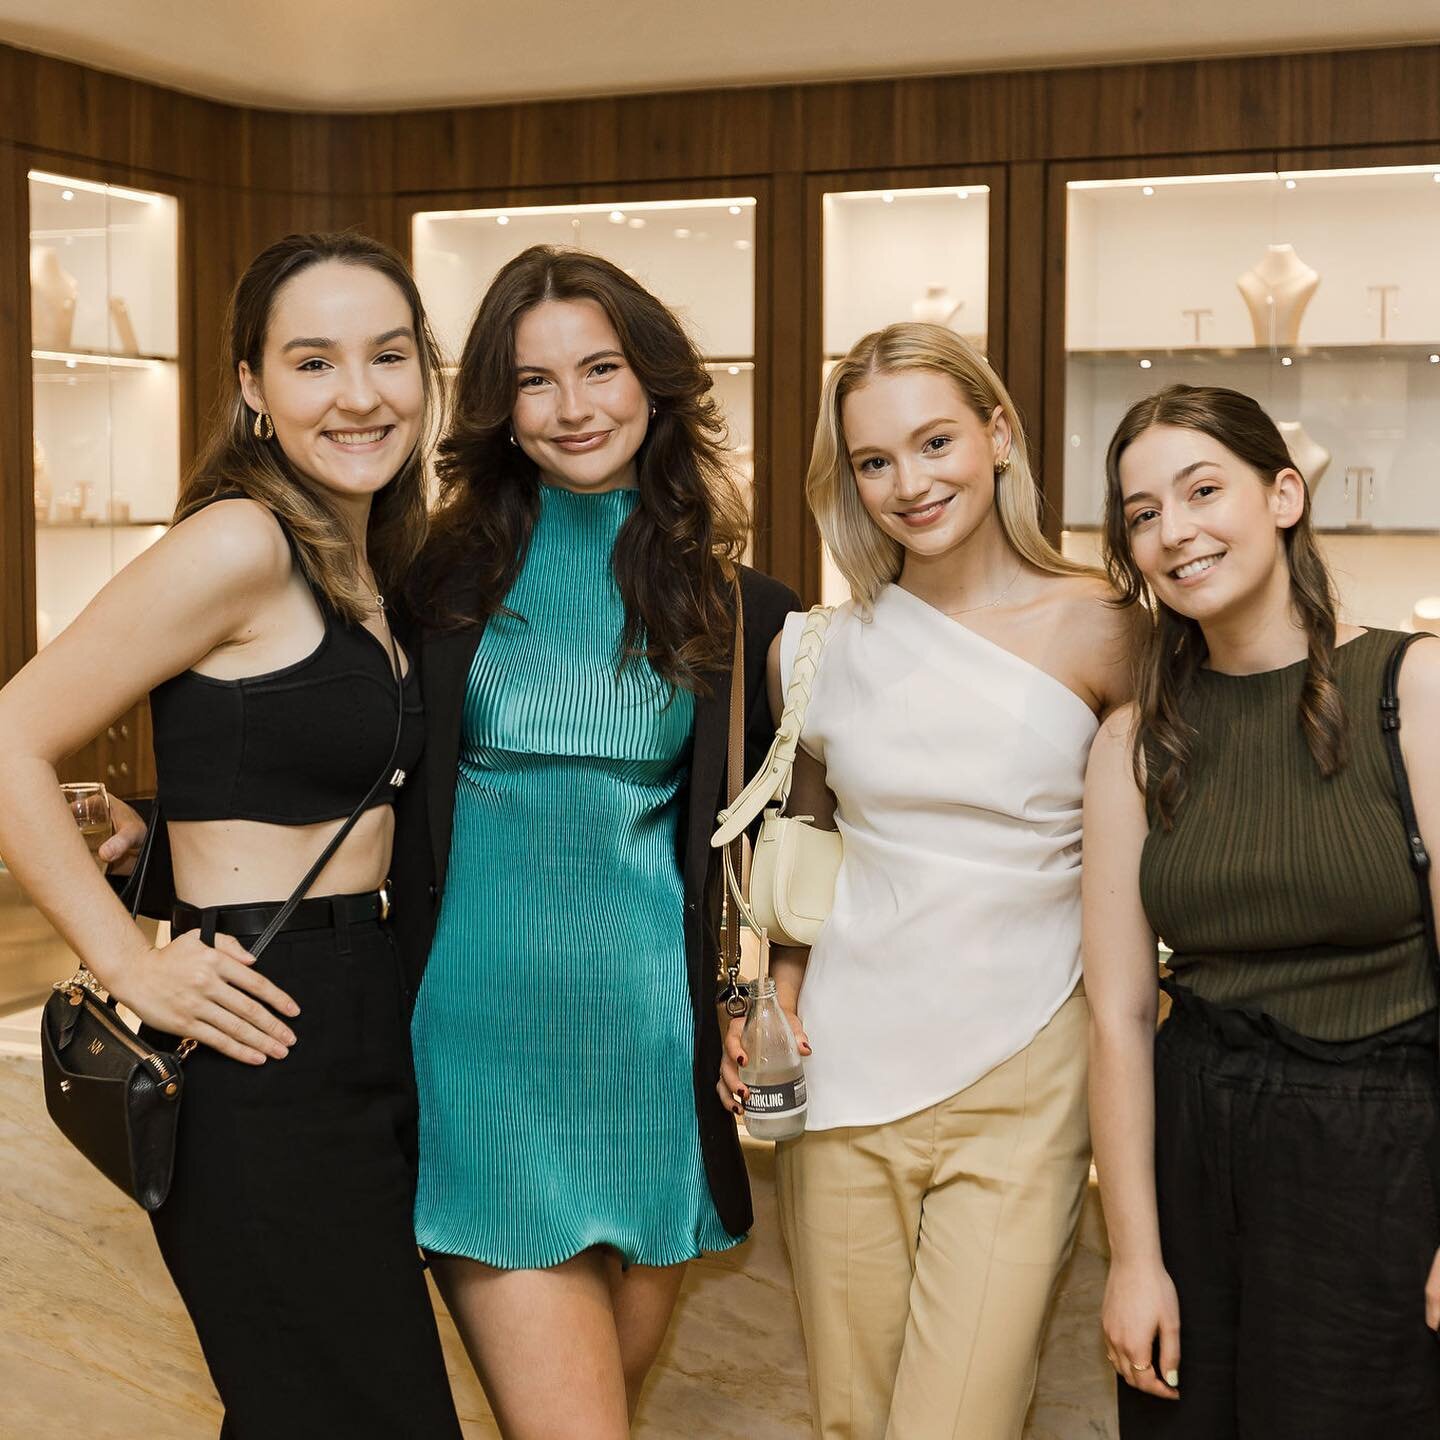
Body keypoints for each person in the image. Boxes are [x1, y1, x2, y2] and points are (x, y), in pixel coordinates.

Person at [0, 232, 463, 1439]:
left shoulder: (361, 554)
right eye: (313, 362)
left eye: (390, 355)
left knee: (305, 1404)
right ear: (253, 388)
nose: (359, 393)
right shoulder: (240, 540)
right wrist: (130, 958)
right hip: (265, 1042)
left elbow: (294, 774)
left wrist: (151, 839)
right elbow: (8, 739)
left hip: (365, 1015)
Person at [392, 244, 797, 1440]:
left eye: (602, 368)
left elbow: (768, 841)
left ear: (655, 382)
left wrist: (756, 993)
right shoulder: (427, 581)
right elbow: (330, 771)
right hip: (476, 1048)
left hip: (649, 1057)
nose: (574, 408)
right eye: (534, 382)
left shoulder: (743, 607)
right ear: (498, 411)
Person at [719, 321, 1133, 1439]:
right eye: (874, 460)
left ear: (997, 433)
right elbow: (809, 840)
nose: (911, 482)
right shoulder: (813, 650)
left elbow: (1161, 849)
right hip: (844, 1072)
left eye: (936, 440)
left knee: (959, 1423)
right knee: (852, 1420)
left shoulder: (1104, 627)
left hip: (1029, 1071)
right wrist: (781, 997)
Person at [1083, 383, 1440, 1438]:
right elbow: (1115, 1019)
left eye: (1203, 490)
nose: (1174, 532)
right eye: (1142, 515)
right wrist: (1135, 1260)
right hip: (1199, 1162)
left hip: (1386, 1160)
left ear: (1284, 495)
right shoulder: (1133, 741)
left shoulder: (1410, 691)